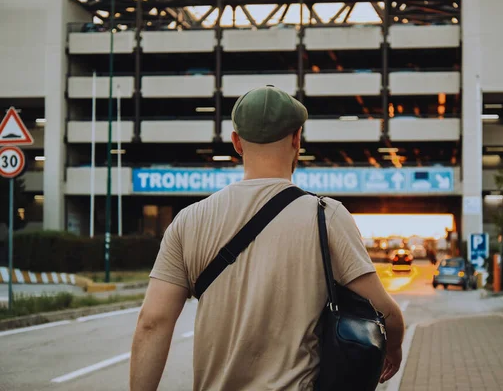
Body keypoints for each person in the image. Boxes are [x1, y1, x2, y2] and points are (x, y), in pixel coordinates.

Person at [129, 85, 405, 391]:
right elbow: (386, 313)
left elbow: (152, 322)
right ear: (297, 138)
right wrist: (393, 347)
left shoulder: (189, 221)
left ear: (236, 142)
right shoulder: (326, 217)